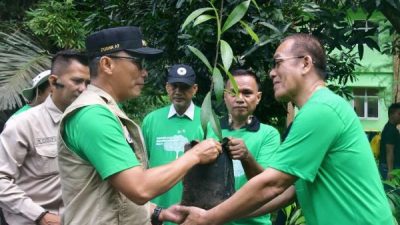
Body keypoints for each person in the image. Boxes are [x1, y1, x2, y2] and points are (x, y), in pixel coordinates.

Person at [178, 33, 393, 225]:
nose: (272, 73)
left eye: (278, 63)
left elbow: (273, 183)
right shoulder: (313, 111)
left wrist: (208, 218)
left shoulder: (321, 109)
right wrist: (225, 214)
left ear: (306, 63)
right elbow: (290, 192)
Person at [57, 26, 221, 225]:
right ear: (107, 64)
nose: (145, 73)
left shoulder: (106, 112)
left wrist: (159, 212)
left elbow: (116, 191)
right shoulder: (93, 115)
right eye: (138, 62)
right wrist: (194, 155)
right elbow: (139, 188)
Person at [0, 49, 90, 225]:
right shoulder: (24, 124)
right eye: (77, 81)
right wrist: (41, 216)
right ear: (53, 81)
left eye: (88, 83)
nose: (83, 89)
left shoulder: (88, 123)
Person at [207, 69, 280, 225]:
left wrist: (247, 157)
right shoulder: (210, 129)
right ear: (224, 96)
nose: (239, 99)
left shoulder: (269, 134)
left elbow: (268, 185)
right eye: (233, 93)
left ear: (258, 97)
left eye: (247, 93)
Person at [141, 64, 203, 219]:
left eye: (184, 87)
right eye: (174, 86)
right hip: (156, 207)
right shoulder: (151, 120)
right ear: (167, 87)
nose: (178, 92)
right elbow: (142, 163)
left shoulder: (206, 119)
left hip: (194, 208)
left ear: (194, 89)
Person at [379, 102, 400, 179]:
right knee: (392, 190)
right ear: (391, 114)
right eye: (399, 114)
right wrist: (390, 171)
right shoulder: (390, 130)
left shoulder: (391, 128)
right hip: (389, 167)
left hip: (389, 166)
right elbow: (389, 151)